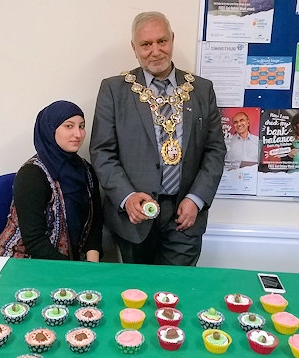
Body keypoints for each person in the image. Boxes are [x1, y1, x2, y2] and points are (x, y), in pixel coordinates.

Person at [89, 11, 226, 266]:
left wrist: (196, 199)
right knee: (136, 295)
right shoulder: (114, 90)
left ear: (172, 39)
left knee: (176, 294)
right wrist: (127, 197)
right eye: (146, 44)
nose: (155, 51)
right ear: (134, 48)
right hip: (133, 218)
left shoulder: (201, 89)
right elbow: (101, 152)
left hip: (184, 216)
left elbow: (215, 150)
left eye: (162, 41)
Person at [0, 100, 103, 261]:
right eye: (69, 126)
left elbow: (95, 222)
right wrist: (72, 271)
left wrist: (91, 264)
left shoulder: (86, 170)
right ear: (50, 129)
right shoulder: (32, 174)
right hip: (27, 261)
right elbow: (34, 240)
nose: (78, 134)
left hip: (72, 263)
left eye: (81, 126)